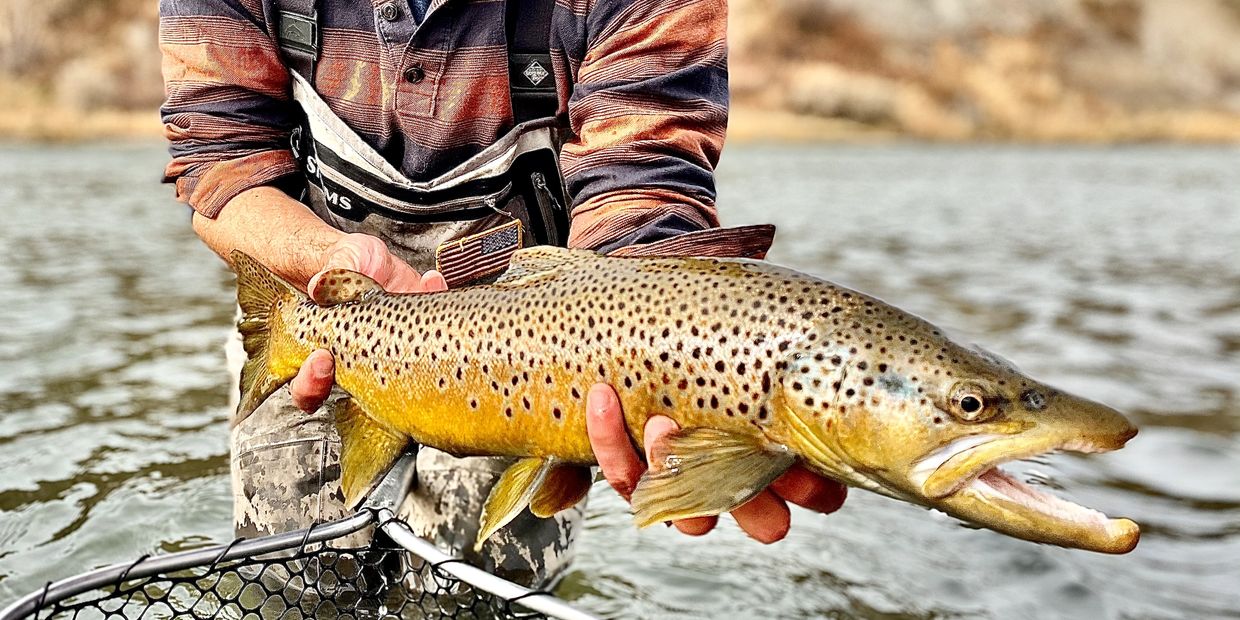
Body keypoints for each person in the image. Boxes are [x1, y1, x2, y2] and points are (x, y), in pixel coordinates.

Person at [159, 0, 846, 587]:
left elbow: (641, 182)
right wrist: (327, 264)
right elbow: (221, 166)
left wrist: (659, 365)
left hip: (536, 349)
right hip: (321, 304)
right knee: (297, 586)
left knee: (476, 595)